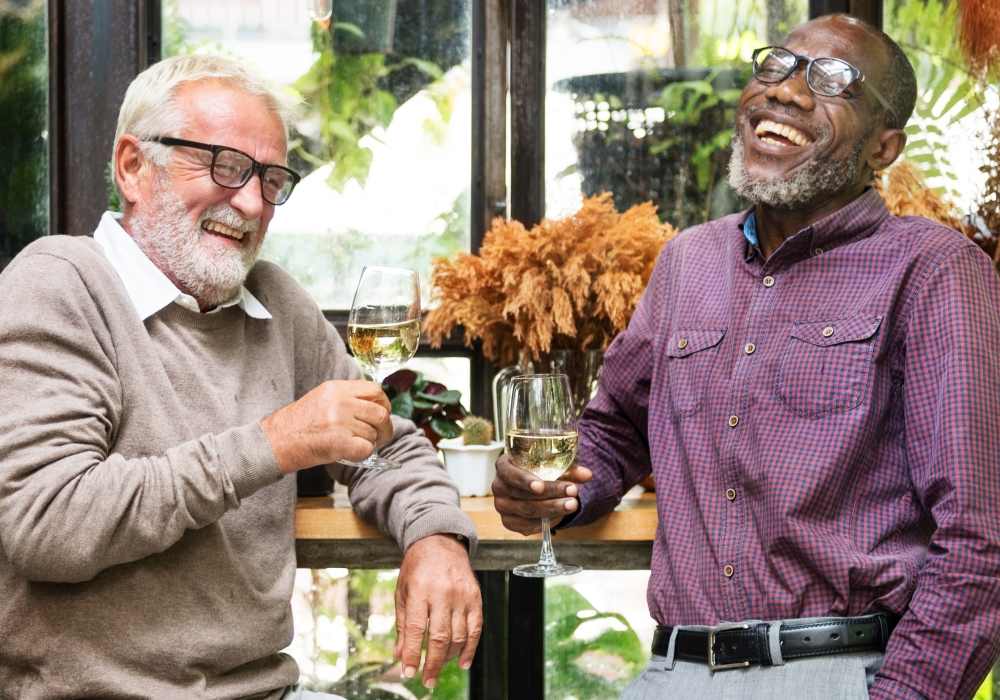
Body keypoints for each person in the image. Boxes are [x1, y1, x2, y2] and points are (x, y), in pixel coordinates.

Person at [493, 14, 1000, 700]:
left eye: (833, 81)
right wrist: (552, 491)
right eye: (777, 66)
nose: (786, 90)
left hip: (837, 672)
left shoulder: (935, 270)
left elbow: (979, 537)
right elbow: (614, 432)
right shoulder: (688, 261)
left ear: (883, 149)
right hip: (674, 671)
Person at [0, 55, 482, 699]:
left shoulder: (277, 303)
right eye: (225, 166)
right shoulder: (59, 283)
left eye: (271, 179)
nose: (253, 202)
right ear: (134, 166)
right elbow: (48, 525)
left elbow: (385, 445)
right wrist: (272, 443)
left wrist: (437, 536)